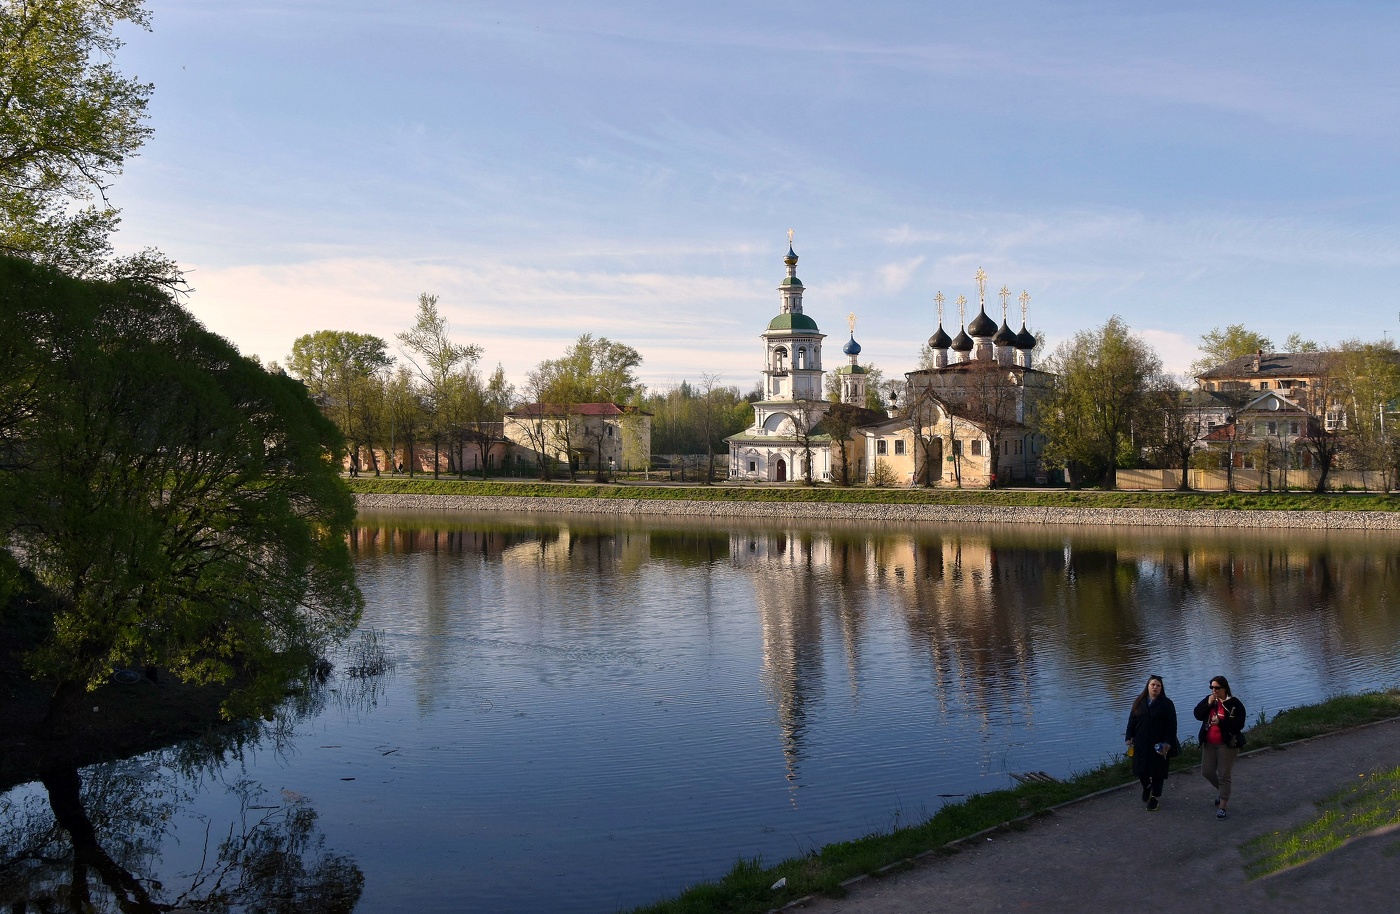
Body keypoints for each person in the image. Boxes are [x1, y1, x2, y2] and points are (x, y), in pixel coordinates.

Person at [1194, 675, 1246, 820]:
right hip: (1209, 743)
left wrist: (1221, 723)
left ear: (1224, 688)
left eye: (1217, 688)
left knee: (1224, 775)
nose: (1214, 690)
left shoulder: (1234, 704)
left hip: (1227, 744)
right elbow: (1197, 714)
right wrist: (1207, 705)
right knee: (1207, 771)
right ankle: (1223, 791)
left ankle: (1223, 806)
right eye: (1211, 687)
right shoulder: (1209, 700)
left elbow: (1239, 725)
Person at [1125, 674, 1179, 811]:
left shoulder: (1167, 704)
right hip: (1141, 742)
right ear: (1148, 686)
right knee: (1140, 769)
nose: (1155, 687)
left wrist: (1168, 742)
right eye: (1152, 685)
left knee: (1157, 771)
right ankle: (1146, 786)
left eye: (1158, 685)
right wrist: (1129, 736)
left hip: (1159, 743)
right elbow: (1132, 721)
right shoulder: (1139, 701)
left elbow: (1172, 725)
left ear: (1161, 688)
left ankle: (1154, 798)